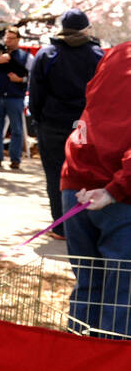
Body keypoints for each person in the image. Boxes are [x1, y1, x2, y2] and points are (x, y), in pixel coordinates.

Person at [60, 40, 131, 339]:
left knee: (88, 285)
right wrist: (116, 189)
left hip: (77, 178)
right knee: (120, 296)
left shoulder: (115, 52)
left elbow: (94, 109)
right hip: (118, 192)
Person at [29, 9, 103, 235]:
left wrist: (38, 118)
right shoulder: (97, 55)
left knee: (54, 173)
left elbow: (35, 93)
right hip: (82, 125)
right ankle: (80, 224)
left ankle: (60, 226)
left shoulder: (48, 54)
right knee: (80, 172)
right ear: (85, 28)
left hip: (51, 123)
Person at [0, 26, 31, 169]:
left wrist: (20, 80)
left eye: (11, 38)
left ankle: (15, 159)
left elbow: (33, 76)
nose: (8, 41)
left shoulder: (26, 56)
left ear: (18, 39)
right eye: (7, 38)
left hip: (15, 96)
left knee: (17, 129)